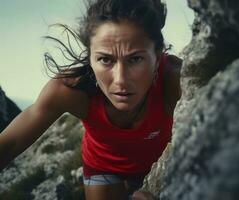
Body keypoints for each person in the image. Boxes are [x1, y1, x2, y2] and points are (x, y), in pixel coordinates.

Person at [0, 0, 182, 199]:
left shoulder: (176, 79)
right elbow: (10, 144)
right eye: (105, 59)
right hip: (104, 167)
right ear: (90, 59)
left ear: (157, 55)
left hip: (161, 163)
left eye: (135, 59)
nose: (120, 79)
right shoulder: (70, 90)